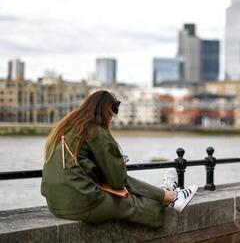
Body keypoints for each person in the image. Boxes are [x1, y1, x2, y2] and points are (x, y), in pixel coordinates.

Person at [41, 90, 197, 228]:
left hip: (54, 204)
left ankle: (168, 192)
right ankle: (171, 196)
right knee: (138, 204)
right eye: (111, 115)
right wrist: (118, 164)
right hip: (82, 202)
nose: (111, 119)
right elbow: (117, 181)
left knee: (127, 194)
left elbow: (81, 166)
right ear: (106, 111)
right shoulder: (96, 131)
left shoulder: (66, 128)